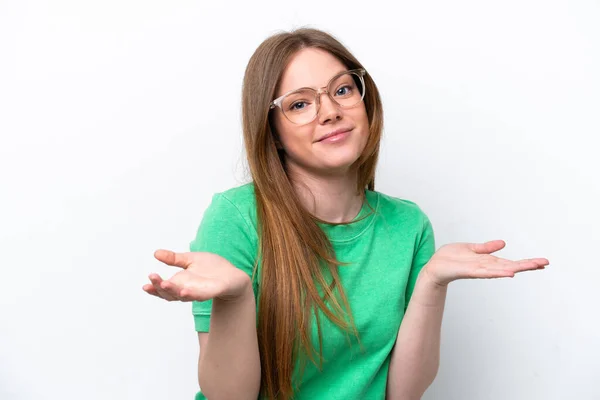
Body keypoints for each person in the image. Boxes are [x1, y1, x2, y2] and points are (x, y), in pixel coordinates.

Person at [142, 28, 549, 400]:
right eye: (299, 103)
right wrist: (236, 297)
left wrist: (432, 283)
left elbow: (402, 394)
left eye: (342, 90)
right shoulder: (236, 217)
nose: (330, 111)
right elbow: (230, 398)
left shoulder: (408, 225)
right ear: (273, 132)